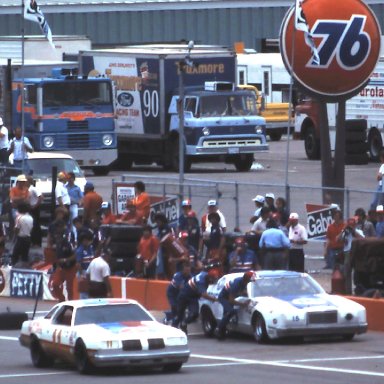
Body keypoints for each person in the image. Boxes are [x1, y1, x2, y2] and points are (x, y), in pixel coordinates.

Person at [172, 269, 219, 334]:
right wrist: (214, 299)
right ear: (210, 278)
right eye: (213, 279)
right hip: (184, 295)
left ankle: (184, 323)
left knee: (195, 314)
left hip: (193, 297)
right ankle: (173, 329)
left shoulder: (204, 274)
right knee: (179, 314)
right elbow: (204, 295)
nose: (214, 280)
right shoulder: (201, 282)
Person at [216, 271, 253, 340]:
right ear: (246, 279)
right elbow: (231, 300)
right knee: (231, 312)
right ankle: (219, 328)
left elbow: (242, 292)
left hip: (229, 297)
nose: (249, 282)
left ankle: (222, 333)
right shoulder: (236, 284)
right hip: (224, 298)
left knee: (226, 315)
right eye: (249, 280)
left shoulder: (243, 282)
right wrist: (243, 304)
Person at [49, 219, 77, 302]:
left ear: (61, 227)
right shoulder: (58, 236)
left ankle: (72, 304)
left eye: (57, 229)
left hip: (70, 266)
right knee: (55, 284)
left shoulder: (68, 236)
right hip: (60, 266)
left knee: (70, 288)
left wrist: (65, 260)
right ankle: (61, 300)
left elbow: (75, 253)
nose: (56, 231)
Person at [337, 217, 364, 294]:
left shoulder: (358, 231)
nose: (351, 226)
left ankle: (358, 291)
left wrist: (353, 232)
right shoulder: (346, 232)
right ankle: (348, 291)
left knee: (357, 274)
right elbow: (337, 239)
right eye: (350, 225)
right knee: (346, 274)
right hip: (347, 253)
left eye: (352, 225)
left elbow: (362, 239)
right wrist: (344, 230)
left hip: (356, 253)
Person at [75, 229, 96, 298]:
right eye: (86, 240)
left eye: (88, 240)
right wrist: (82, 275)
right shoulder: (80, 251)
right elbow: (78, 264)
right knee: (84, 292)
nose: (87, 242)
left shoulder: (90, 248)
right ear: (82, 241)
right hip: (83, 272)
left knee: (90, 291)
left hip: (91, 272)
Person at [11, 202, 33, 266]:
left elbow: (16, 229)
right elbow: (31, 229)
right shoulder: (30, 217)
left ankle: (14, 267)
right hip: (28, 238)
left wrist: (14, 231)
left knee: (15, 254)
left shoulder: (19, 218)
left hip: (21, 238)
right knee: (25, 255)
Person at [26, 175, 43, 247]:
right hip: (29, 208)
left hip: (34, 208)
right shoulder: (27, 189)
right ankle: (32, 241)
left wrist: (35, 205)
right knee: (31, 225)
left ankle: (37, 242)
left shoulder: (33, 189)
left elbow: (41, 197)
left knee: (36, 225)